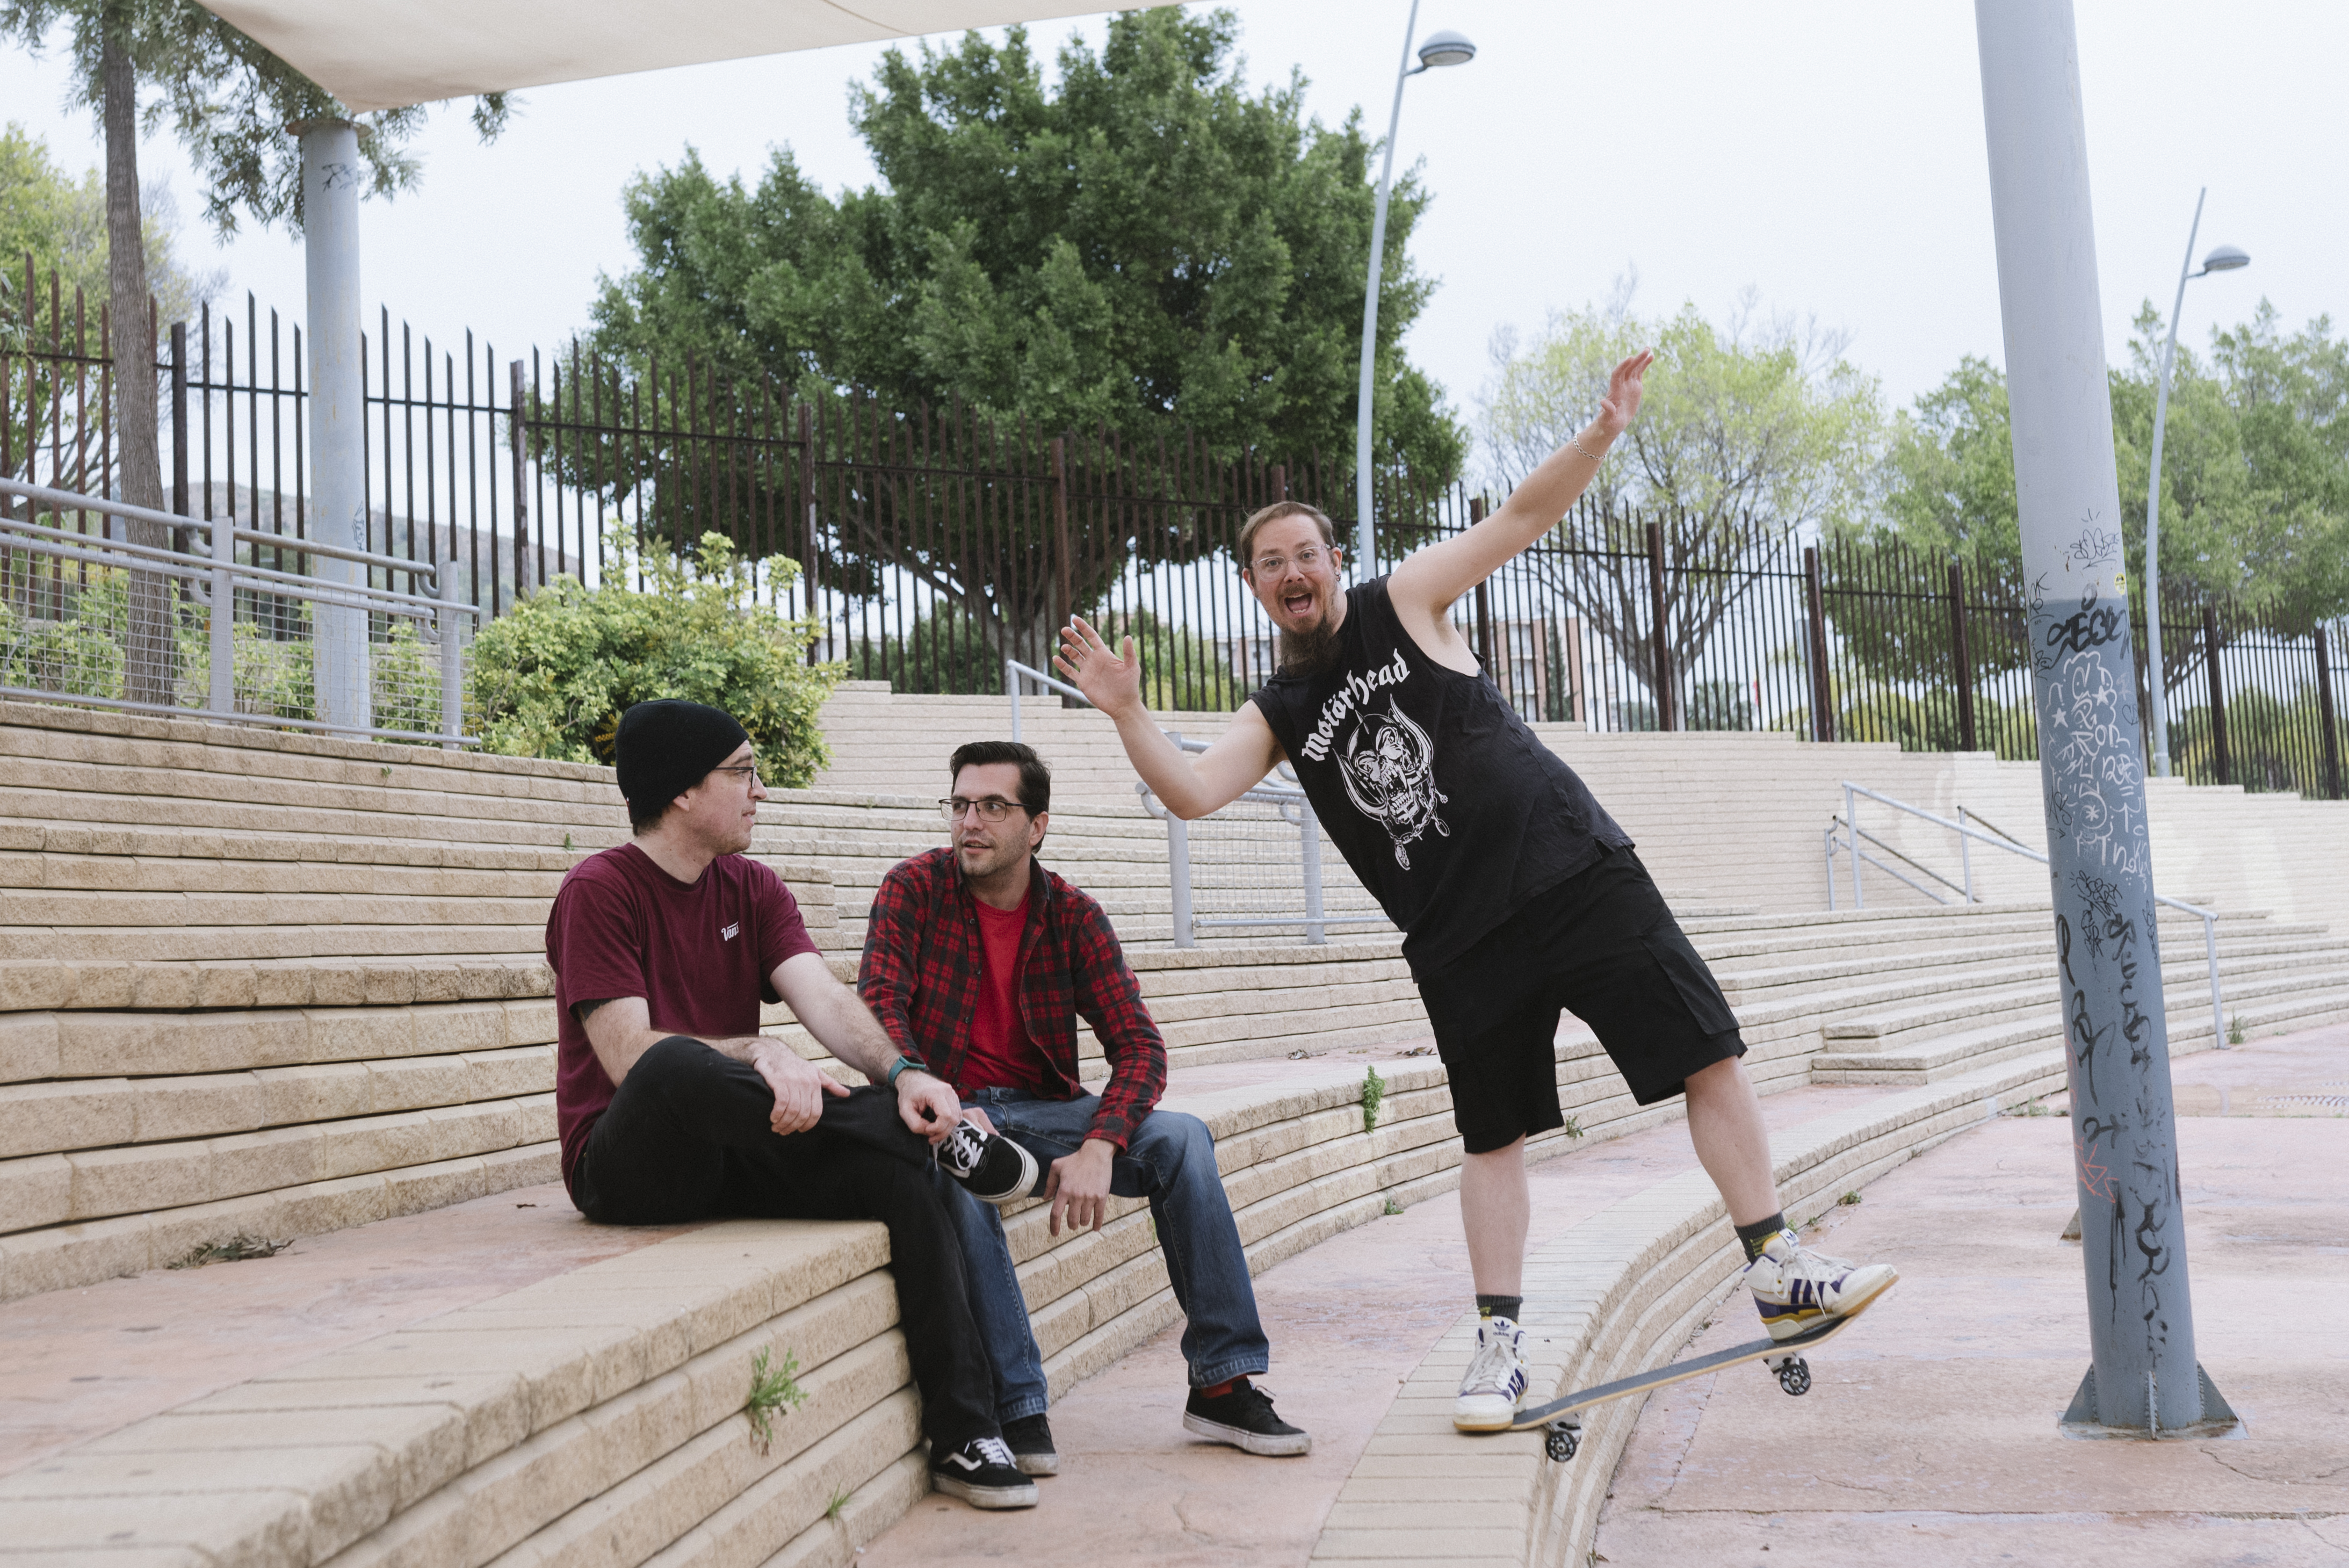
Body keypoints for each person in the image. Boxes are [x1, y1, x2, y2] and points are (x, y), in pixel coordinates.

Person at [1052, 351, 1897, 1434]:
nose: (1293, 569)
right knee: (1492, 1136)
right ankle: (1501, 1344)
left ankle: (1777, 1263)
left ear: (1335, 559)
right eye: (1271, 562)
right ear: (1255, 588)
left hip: (1574, 869)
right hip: (1457, 934)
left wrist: (1600, 434)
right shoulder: (1276, 708)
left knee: (1706, 1051)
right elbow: (1195, 791)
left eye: (1306, 550)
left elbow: (1516, 519)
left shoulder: (1402, 601)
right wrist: (1127, 710)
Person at [547, 698, 1045, 1508]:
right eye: (742, 773)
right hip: (627, 1163)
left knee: (904, 1179)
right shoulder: (598, 891)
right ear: (680, 791)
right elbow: (627, 1056)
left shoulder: (753, 887)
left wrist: (907, 1076)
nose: (760, 791)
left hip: (736, 1143)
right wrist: (760, 1050)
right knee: (674, 1064)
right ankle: (921, 1135)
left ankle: (965, 1435)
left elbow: (825, 1001)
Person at [857, 739, 1311, 1476]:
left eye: (993, 807)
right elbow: (880, 1002)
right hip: (949, 1113)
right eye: (961, 804)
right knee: (958, 1171)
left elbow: (1139, 1046)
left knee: (1182, 1140)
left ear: (1035, 826)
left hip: (1043, 1116)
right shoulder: (913, 889)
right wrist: (925, 1085)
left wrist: (1101, 1143)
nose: (970, 822)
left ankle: (1223, 1384)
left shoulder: (1070, 915)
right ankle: (1018, 1405)